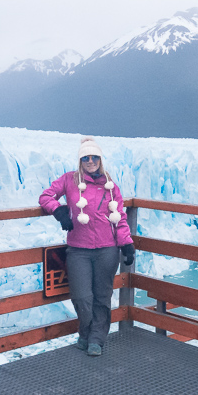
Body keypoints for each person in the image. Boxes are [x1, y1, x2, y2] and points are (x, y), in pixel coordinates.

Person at [39, 136, 135, 356]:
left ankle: (96, 339)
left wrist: (126, 244)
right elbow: (45, 196)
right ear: (80, 160)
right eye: (86, 158)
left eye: (94, 157)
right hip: (78, 250)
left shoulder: (110, 187)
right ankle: (86, 332)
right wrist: (58, 210)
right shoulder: (69, 180)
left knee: (102, 295)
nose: (90, 161)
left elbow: (119, 218)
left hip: (107, 249)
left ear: (100, 159)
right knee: (81, 296)